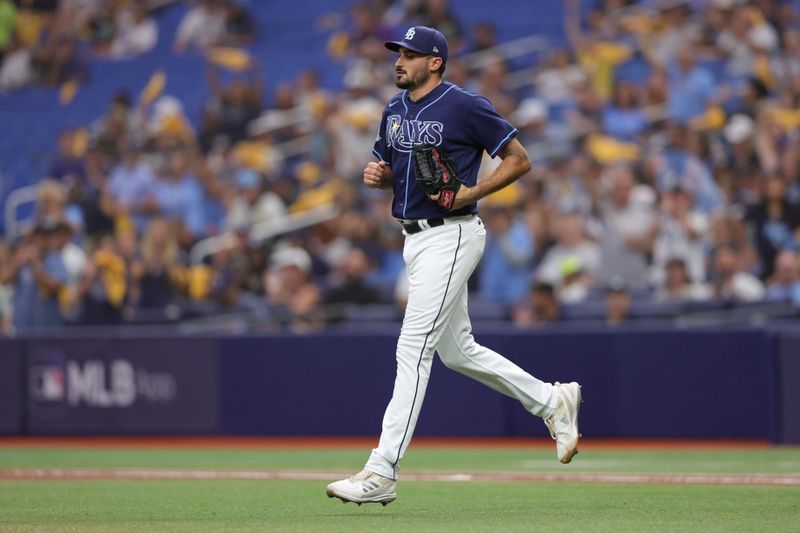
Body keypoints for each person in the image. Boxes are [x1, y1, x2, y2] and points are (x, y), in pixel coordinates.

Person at [326, 26, 582, 507]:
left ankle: (382, 470)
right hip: (414, 238)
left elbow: (518, 159)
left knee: (412, 348)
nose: (399, 60)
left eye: (410, 54)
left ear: (435, 61)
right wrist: (377, 177)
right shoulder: (393, 110)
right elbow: (394, 171)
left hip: (454, 232)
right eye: (398, 53)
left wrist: (471, 192)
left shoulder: (464, 105)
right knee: (457, 352)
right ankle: (552, 401)